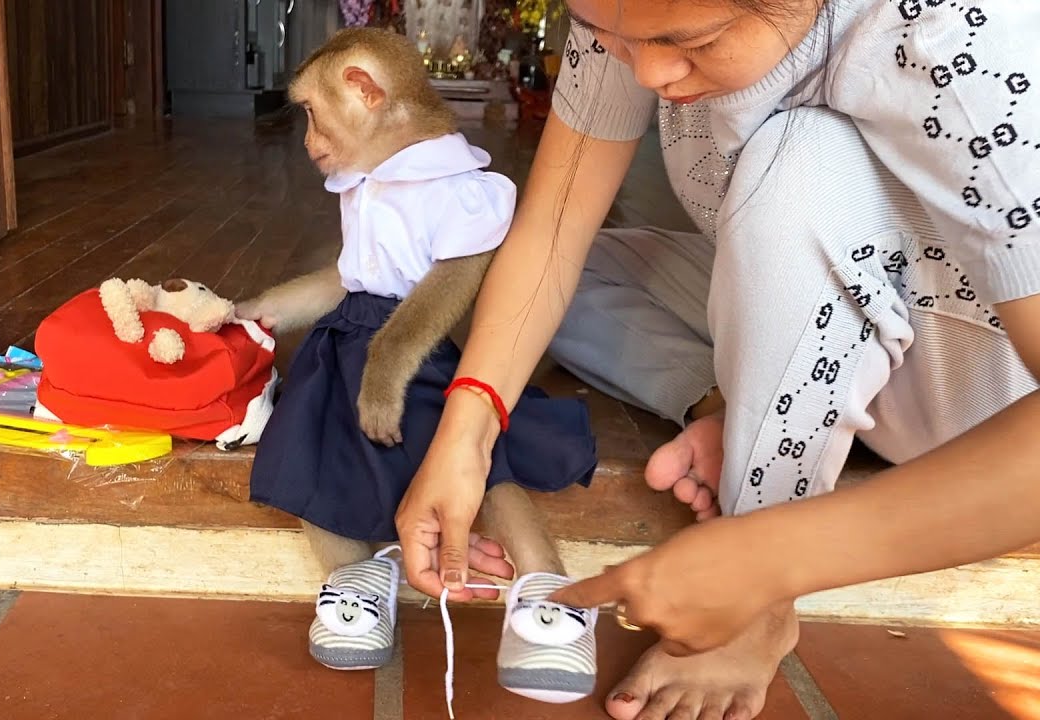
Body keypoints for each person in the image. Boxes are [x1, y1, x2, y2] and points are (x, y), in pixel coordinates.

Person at [396, 1, 1040, 718]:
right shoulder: (632, 10)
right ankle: (730, 402)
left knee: (801, 158)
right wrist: (465, 435)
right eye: (610, 36)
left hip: (975, 381)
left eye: (690, 40)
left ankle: (758, 607)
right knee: (490, 273)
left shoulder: (960, 38)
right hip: (837, 268)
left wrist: (765, 559)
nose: (648, 71)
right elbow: (554, 227)